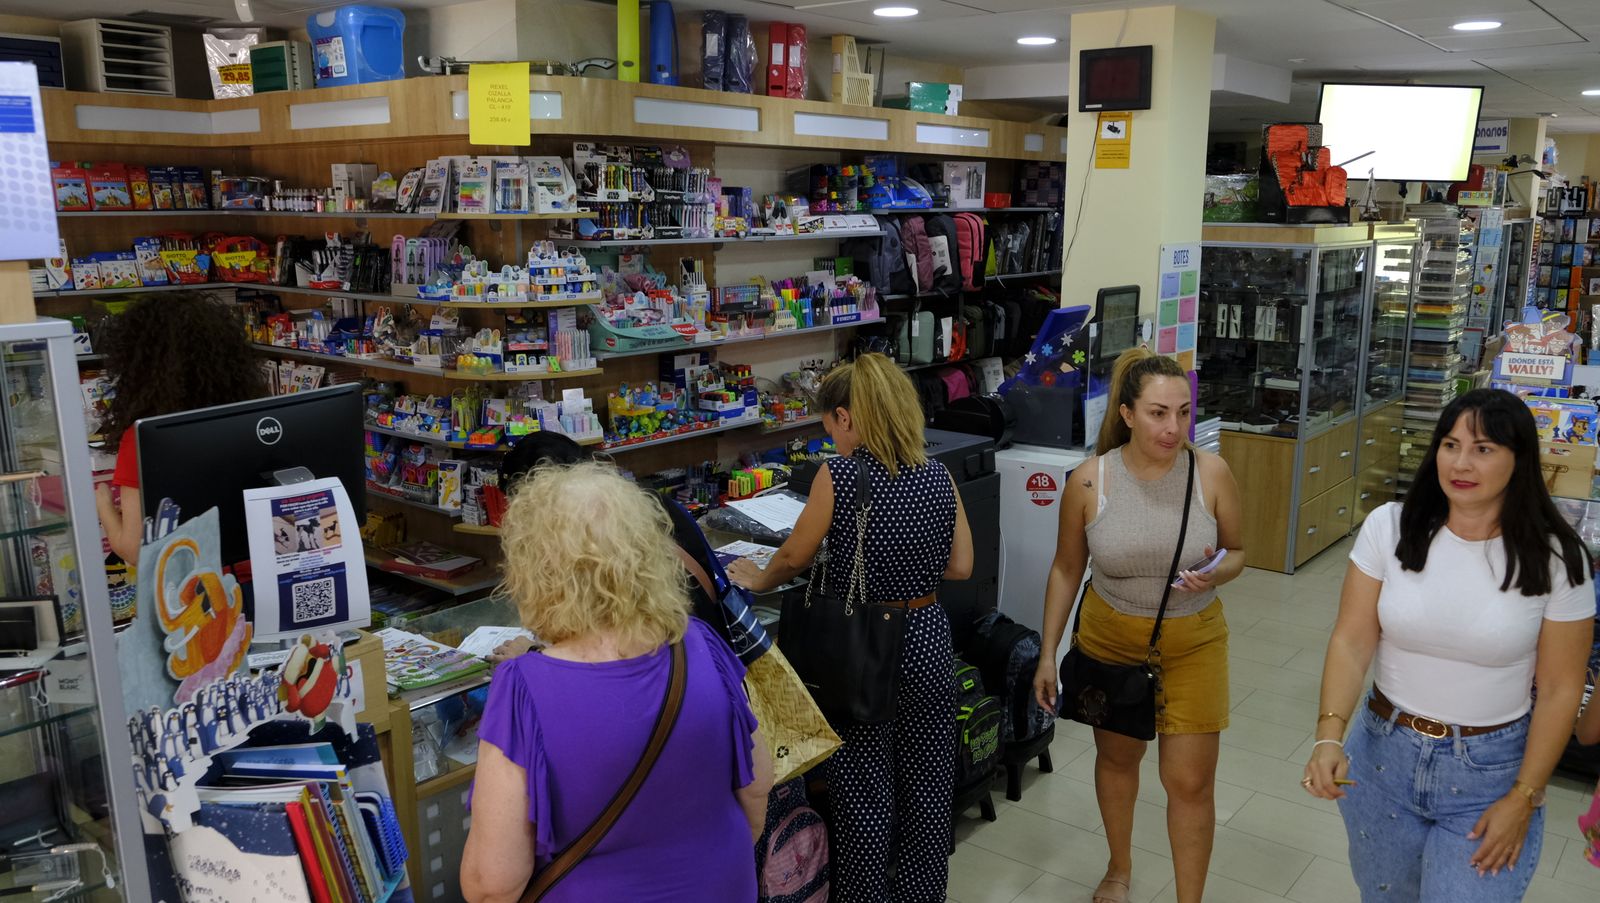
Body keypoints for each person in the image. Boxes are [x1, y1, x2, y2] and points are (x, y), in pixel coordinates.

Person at [1304, 388, 1593, 901]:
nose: (1461, 462)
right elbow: (1351, 640)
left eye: (1483, 449)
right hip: (1381, 756)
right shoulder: (1389, 527)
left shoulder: (1557, 558)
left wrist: (1524, 795)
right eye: (1450, 444)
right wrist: (1329, 735)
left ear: (1518, 460)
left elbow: (1559, 689)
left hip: (1491, 772)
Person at [460, 461, 774, 902]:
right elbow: (756, 789)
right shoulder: (700, 645)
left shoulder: (523, 687)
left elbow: (492, 884)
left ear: (535, 571)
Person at [727, 352, 974, 903]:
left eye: (829, 427)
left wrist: (760, 579)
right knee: (929, 788)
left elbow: (793, 555)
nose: (831, 439)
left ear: (847, 418)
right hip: (927, 637)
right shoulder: (937, 473)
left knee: (863, 791)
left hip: (864, 648)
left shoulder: (838, 473)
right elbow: (961, 566)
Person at [1032, 347, 1245, 903]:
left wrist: (1217, 572)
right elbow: (1065, 569)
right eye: (1157, 413)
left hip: (1194, 641)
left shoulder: (1212, 473)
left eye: (1182, 412)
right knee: (1119, 759)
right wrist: (1047, 653)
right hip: (1111, 637)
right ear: (1127, 414)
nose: (1173, 427)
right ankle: (1119, 869)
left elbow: (1239, 551)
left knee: (1190, 782)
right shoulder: (1088, 483)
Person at [94, 294, 265, 562]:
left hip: (187, 589)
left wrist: (103, 504)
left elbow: (135, 549)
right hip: (260, 574)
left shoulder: (146, 439)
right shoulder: (255, 419)